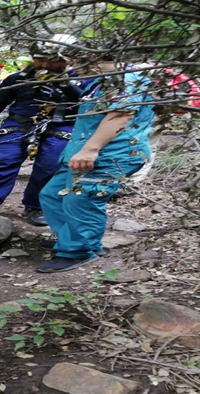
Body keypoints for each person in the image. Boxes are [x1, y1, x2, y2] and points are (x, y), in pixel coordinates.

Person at [35, 52, 155, 273]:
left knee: (83, 200)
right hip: (80, 152)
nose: (72, 64)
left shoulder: (128, 80)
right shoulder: (100, 83)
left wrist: (91, 149)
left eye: (78, 61)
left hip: (111, 154)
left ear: (97, 60)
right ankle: (75, 240)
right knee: (51, 195)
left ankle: (77, 251)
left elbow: (120, 115)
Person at [0, 34, 84, 226]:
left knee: (51, 164)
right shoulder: (18, 78)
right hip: (19, 124)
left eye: (48, 59)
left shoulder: (84, 80)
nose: (41, 62)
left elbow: (86, 106)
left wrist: (64, 85)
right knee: (1, 157)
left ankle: (38, 206)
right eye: (37, 57)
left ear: (67, 59)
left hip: (62, 126)